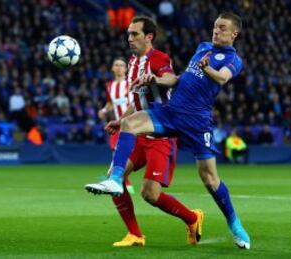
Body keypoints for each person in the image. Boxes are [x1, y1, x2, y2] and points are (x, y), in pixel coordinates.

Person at [88, 12, 250, 249]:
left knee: (209, 179)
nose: (216, 31)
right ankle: (114, 180)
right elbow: (178, 79)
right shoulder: (203, 47)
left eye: (222, 28)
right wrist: (155, 79)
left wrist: (207, 70)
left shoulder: (233, 59)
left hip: (197, 122)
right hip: (171, 112)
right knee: (129, 123)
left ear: (234, 33)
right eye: (215, 26)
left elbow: (222, 79)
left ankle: (235, 225)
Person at [85, 16, 203, 247]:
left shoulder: (158, 58)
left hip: (160, 135)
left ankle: (192, 217)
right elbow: (137, 100)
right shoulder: (131, 62)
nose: (129, 38)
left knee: (150, 194)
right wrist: (121, 120)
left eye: (134, 34)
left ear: (148, 37)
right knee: (114, 176)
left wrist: (156, 79)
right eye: (128, 34)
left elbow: (171, 79)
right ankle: (135, 234)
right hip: (138, 133)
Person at [98, 57, 135, 193]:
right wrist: (103, 110)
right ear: (113, 69)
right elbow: (110, 103)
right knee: (117, 154)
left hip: (132, 124)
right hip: (117, 126)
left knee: (125, 156)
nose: (119, 67)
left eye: (121, 65)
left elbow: (135, 102)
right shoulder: (110, 86)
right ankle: (124, 184)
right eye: (116, 65)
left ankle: (116, 179)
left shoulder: (131, 84)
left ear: (126, 69)